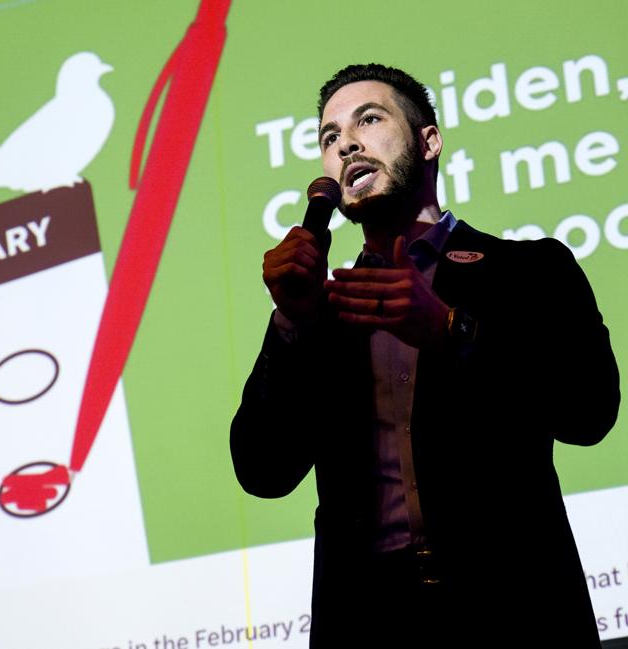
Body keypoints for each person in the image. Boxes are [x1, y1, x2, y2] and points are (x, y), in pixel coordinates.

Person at [230, 63, 620, 648]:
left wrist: (450, 329)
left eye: (369, 119)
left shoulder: (530, 271)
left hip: (514, 607)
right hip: (369, 618)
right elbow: (263, 471)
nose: (347, 144)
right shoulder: (323, 311)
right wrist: (292, 319)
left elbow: (589, 414)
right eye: (329, 137)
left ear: (429, 140)